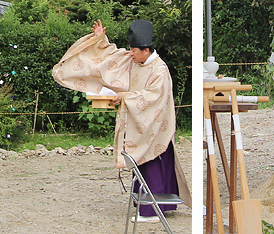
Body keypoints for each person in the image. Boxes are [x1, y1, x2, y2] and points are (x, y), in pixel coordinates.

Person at [52, 19, 191, 222]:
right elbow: (108, 56)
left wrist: (125, 97)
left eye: (134, 50)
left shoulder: (159, 70)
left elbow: (153, 97)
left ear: (146, 50)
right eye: (131, 49)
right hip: (138, 122)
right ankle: (158, 205)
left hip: (153, 125)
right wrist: (100, 38)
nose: (131, 53)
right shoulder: (132, 60)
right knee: (140, 162)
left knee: (150, 160)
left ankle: (150, 211)